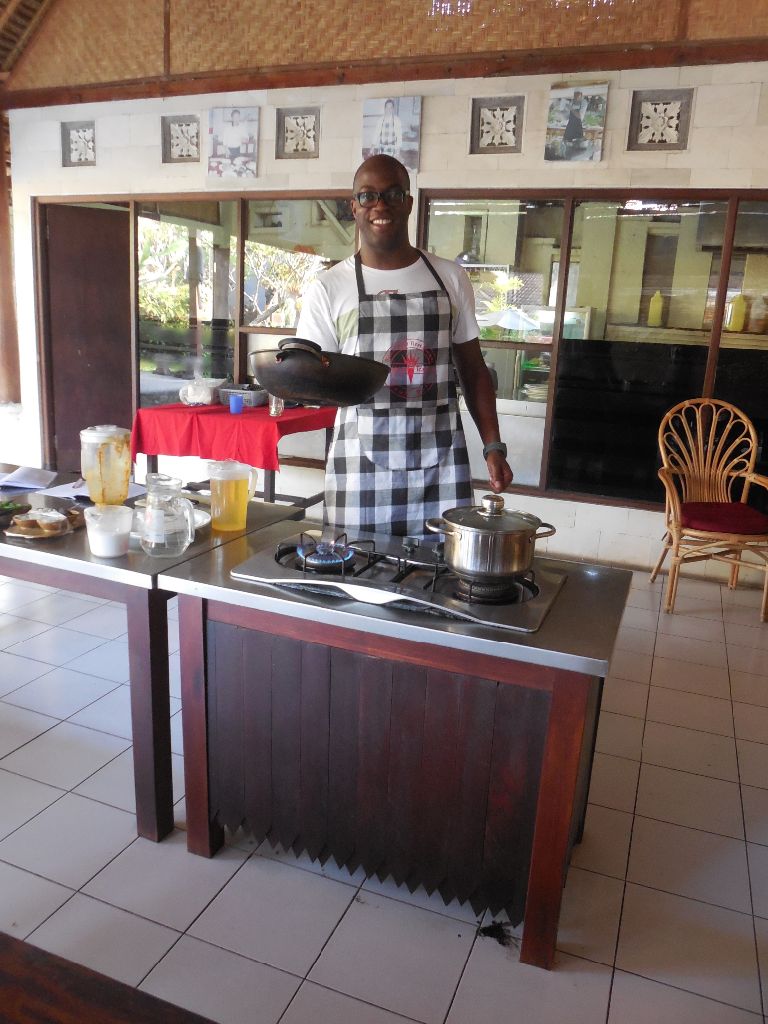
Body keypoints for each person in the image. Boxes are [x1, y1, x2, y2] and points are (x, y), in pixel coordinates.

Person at [296, 154, 514, 538]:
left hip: (440, 463)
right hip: (359, 466)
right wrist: (294, 377)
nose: (380, 205)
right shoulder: (329, 288)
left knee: (439, 570)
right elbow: (313, 377)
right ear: (353, 207)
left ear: (409, 203)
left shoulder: (450, 277)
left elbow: (473, 369)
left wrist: (493, 445)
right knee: (355, 567)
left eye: (392, 194)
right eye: (368, 196)